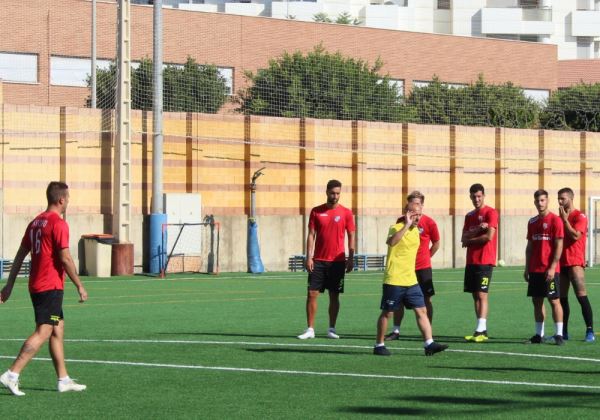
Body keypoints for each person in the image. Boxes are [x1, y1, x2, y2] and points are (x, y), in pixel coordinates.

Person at [0, 182, 88, 396]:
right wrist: (79, 285)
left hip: (39, 286)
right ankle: (12, 374)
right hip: (50, 287)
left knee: (57, 328)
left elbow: (20, 254)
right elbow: (65, 258)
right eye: (68, 198)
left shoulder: (35, 222)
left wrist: (9, 285)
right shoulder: (58, 223)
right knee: (44, 330)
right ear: (61, 200)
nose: (68, 202)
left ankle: (63, 379)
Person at [373, 196, 447, 356]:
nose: (417, 217)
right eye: (414, 214)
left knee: (421, 310)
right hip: (394, 279)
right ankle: (379, 345)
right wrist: (406, 225)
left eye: (419, 214)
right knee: (388, 313)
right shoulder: (396, 227)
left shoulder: (416, 232)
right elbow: (392, 242)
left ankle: (429, 343)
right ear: (407, 214)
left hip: (411, 279)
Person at [297, 179, 355, 340]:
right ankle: (310, 329)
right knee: (312, 293)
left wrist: (351, 258)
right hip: (318, 261)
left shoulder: (346, 213)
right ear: (327, 192)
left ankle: (332, 328)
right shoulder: (316, 211)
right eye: (332, 193)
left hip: (337, 261)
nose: (335, 196)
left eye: (337, 193)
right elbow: (311, 235)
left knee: (334, 295)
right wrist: (309, 257)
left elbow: (351, 235)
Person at [385, 191, 440, 341]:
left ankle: (428, 331)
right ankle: (396, 331)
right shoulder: (401, 221)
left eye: (417, 203)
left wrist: (426, 257)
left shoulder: (429, 222)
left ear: (422, 205)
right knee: (400, 301)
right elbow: (393, 241)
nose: (415, 208)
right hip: (404, 269)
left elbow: (436, 243)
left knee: (426, 300)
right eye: (412, 204)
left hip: (423, 267)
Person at [524, 189, 564, 345]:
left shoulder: (555, 220)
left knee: (554, 300)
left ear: (547, 201)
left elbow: (559, 245)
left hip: (550, 269)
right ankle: (538, 335)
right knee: (537, 301)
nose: (540, 203)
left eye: (543, 200)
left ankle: (559, 334)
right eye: (537, 201)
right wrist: (527, 268)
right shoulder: (532, 222)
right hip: (535, 269)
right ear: (534, 202)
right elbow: (529, 247)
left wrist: (553, 267)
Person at [462, 184, 498, 342]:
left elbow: (488, 237)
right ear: (470, 197)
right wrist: (477, 229)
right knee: (475, 295)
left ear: (483, 196)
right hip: (471, 260)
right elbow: (463, 239)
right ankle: (481, 329)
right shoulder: (469, 216)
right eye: (473, 197)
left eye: (479, 196)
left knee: (482, 294)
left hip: (485, 259)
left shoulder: (491, 212)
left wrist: (470, 239)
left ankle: (481, 329)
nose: (476, 199)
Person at [557, 187, 595, 342]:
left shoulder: (580, 216)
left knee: (581, 296)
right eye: (558, 198)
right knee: (562, 299)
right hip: (562, 262)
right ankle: (563, 332)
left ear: (571, 199)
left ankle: (590, 331)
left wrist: (565, 219)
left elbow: (575, 236)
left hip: (575, 262)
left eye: (563, 198)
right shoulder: (559, 217)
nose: (560, 201)